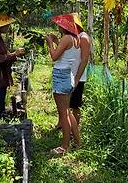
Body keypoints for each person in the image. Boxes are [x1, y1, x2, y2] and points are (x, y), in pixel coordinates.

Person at [45, 14, 82, 154]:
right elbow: (65, 53)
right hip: (68, 76)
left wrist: (50, 42)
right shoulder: (75, 38)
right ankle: (78, 141)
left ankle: (64, 146)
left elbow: (55, 56)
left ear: (64, 26)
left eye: (59, 25)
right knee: (67, 111)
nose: (57, 26)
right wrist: (56, 41)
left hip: (61, 77)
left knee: (63, 114)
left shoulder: (66, 38)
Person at [70, 13, 90, 126]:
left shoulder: (83, 37)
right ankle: (63, 125)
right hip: (70, 75)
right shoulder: (74, 36)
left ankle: (75, 128)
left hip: (78, 76)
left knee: (75, 106)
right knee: (67, 104)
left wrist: (77, 78)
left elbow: (84, 60)